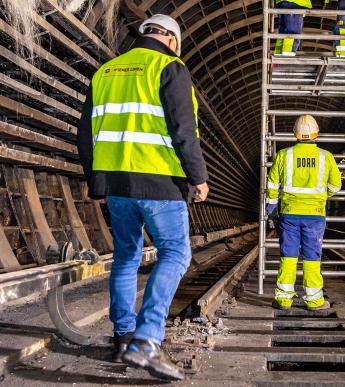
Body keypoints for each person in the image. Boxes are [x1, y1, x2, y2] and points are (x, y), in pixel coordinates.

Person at [77, 14, 209, 381]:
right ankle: (147, 340)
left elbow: (85, 133)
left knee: (126, 257)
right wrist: (198, 178)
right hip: (160, 182)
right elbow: (184, 130)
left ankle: (122, 338)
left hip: (116, 183)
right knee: (175, 253)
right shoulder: (169, 67)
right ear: (171, 40)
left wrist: (96, 180)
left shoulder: (106, 72)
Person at [266, 115, 342, 311]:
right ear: (316, 133)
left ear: (295, 133)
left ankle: (283, 300)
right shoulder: (326, 157)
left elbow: (272, 184)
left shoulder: (284, 155)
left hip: (289, 214)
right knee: (312, 257)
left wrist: (272, 208)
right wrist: (321, 197)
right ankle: (314, 300)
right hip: (315, 215)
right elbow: (335, 185)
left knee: (288, 255)